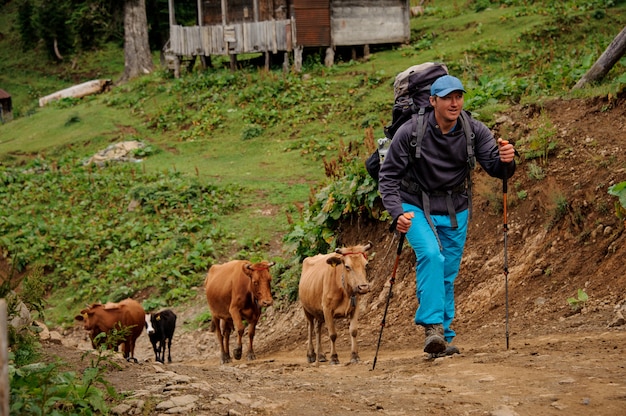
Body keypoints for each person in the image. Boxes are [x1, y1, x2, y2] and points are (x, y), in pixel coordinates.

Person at [378, 74, 516, 357]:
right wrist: (397, 214)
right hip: (414, 204)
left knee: (447, 273)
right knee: (431, 255)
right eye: (447, 98)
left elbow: (497, 170)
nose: (454, 103)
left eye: (459, 97)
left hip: (456, 208)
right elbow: (388, 177)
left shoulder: (473, 129)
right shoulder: (411, 131)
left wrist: (507, 160)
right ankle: (432, 327)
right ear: (433, 101)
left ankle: (443, 339)